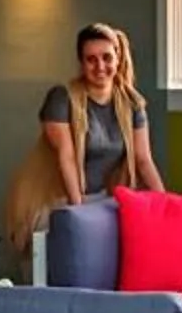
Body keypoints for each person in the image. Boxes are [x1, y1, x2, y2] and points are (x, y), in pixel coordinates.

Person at [40, 23, 165, 205]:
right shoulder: (62, 98)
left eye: (107, 57)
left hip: (106, 197)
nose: (100, 66)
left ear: (118, 59)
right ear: (82, 63)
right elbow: (67, 157)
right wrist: (79, 208)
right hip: (62, 198)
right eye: (91, 59)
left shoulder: (132, 102)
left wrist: (165, 202)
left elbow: (143, 159)